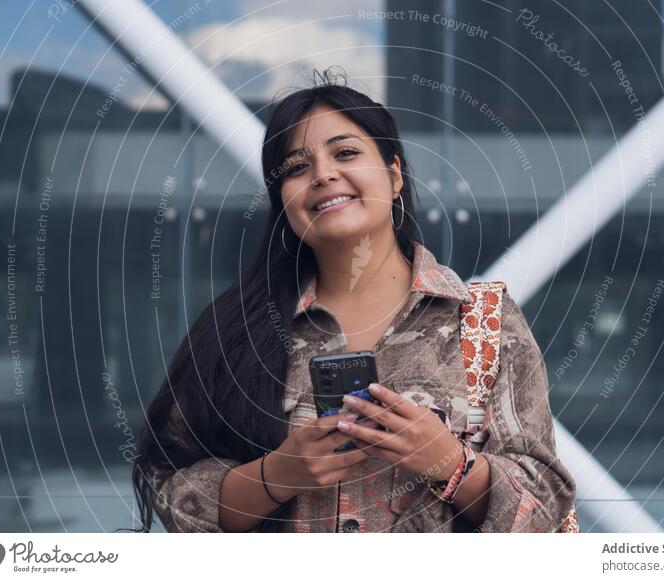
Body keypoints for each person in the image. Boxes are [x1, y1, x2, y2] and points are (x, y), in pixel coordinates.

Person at [131, 70, 576, 533]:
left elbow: (546, 503)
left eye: (345, 152)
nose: (323, 174)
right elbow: (170, 481)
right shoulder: (237, 327)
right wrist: (275, 475)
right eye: (297, 168)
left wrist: (449, 462)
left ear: (395, 173)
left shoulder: (482, 321)